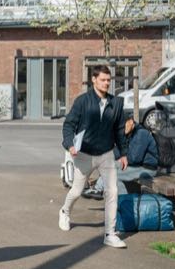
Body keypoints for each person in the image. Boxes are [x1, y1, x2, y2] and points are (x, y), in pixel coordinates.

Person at [59, 65, 129, 248]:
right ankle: (65, 211)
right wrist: (70, 144)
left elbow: (120, 130)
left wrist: (123, 154)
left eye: (109, 80)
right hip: (84, 153)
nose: (107, 83)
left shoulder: (116, 103)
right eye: (103, 80)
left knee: (112, 191)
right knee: (77, 191)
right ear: (94, 80)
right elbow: (69, 125)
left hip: (106, 153)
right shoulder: (82, 101)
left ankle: (110, 234)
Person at [86, 116, 159, 198]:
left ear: (131, 122)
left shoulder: (141, 134)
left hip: (146, 169)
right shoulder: (129, 135)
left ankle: (123, 202)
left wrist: (122, 158)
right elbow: (118, 151)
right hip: (135, 166)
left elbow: (134, 158)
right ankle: (98, 189)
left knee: (115, 175)